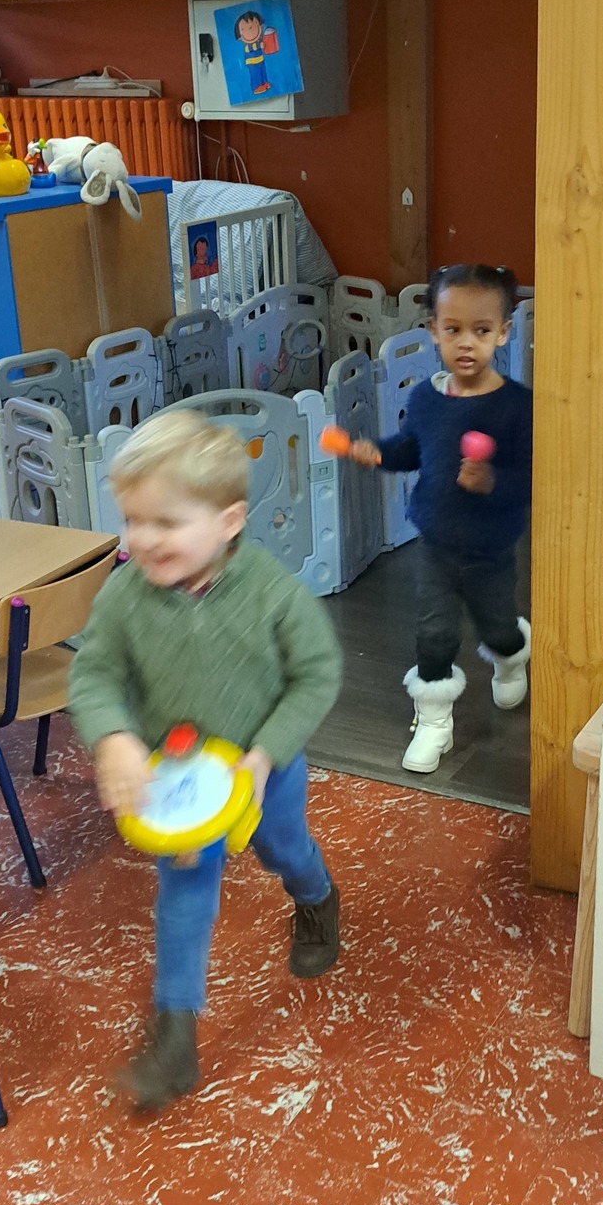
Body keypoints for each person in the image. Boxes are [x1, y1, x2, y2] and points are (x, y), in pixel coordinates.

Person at [69, 407, 343, 1112]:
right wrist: (114, 737)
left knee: (285, 850)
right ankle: (175, 1040)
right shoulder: (124, 596)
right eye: (132, 520)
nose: (141, 539)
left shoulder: (273, 592)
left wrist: (265, 755)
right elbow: (94, 674)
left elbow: (317, 675)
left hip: (263, 771)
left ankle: (316, 899)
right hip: (178, 783)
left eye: (165, 522)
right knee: (184, 897)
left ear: (228, 522)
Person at [350, 263, 533, 773]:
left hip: (491, 547)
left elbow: (531, 479)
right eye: (453, 329)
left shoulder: (518, 406)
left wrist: (491, 480)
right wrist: (378, 453)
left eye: (481, 330)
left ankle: (512, 656)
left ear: (503, 332)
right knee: (434, 633)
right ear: (433, 330)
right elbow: (413, 449)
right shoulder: (426, 398)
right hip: (435, 542)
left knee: (497, 626)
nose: (466, 342)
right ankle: (434, 724)